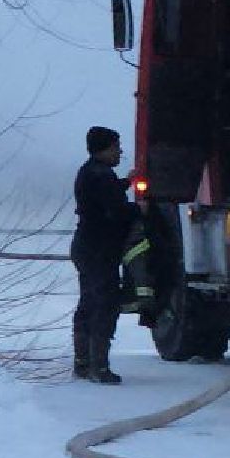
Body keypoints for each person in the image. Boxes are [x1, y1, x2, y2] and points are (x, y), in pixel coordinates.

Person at [73, 125, 139, 384]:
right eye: (116, 147)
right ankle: (99, 367)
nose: (120, 152)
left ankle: (82, 362)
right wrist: (139, 210)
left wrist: (126, 182)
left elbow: (103, 198)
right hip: (100, 250)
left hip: (85, 246)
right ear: (103, 149)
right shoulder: (102, 176)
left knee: (88, 302)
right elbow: (115, 211)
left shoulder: (89, 172)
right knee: (105, 305)